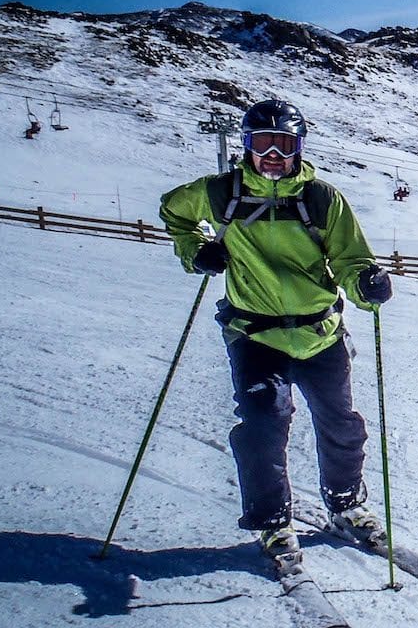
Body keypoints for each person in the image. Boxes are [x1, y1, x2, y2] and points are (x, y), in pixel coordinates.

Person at [159, 99, 395, 557]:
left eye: (283, 144)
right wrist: (196, 250)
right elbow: (174, 211)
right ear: (246, 146)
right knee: (264, 423)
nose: (273, 154)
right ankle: (272, 522)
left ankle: (346, 507)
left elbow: (351, 259)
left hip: (319, 333)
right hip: (255, 334)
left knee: (341, 425)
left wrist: (367, 287)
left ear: (298, 148)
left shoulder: (321, 198)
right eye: (262, 143)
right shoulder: (220, 193)